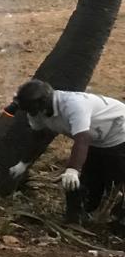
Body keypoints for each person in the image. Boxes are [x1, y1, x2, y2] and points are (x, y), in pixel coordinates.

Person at [8, 79, 125, 226]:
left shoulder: (74, 105)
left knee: (116, 179)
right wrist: (24, 163)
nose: (33, 114)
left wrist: (73, 169)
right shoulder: (36, 111)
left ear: (44, 102)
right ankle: (79, 218)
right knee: (87, 181)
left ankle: (119, 222)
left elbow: (82, 138)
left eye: (33, 110)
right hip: (97, 140)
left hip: (119, 133)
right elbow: (39, 137)